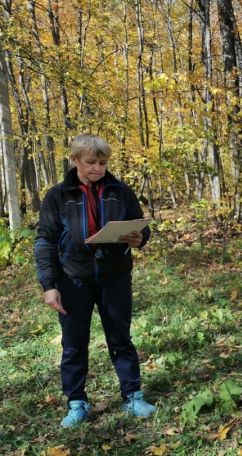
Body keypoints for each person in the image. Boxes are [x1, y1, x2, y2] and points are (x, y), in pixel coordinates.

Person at [34, 134, 155, 427]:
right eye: (91, 162)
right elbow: (45, 241)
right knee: (74, 344)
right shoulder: (58, 196)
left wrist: (140, 237)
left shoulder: (120, 191)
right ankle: (77, 403)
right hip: (73, 279)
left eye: (102, 162)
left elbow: (141, 228)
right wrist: (50, 285)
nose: (98, 168)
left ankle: (133, 395)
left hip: (114, 277)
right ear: (75, 160)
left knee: (121, 338)